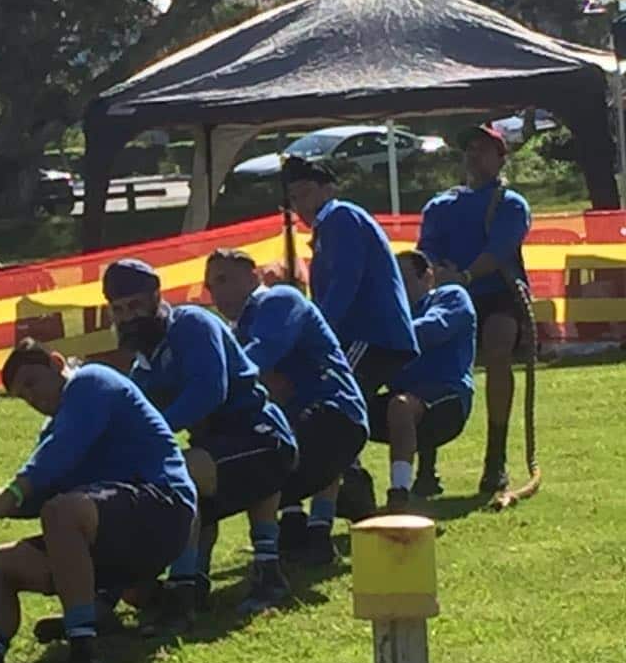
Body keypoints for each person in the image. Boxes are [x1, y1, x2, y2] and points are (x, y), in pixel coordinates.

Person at [0, 340, 196, 663]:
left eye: (32, 382)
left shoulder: (93, 381)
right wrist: (6, 504)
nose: (32, 398)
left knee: (61, 513)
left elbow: (59, 455)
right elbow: (43, 487)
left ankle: (83, 653)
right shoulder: (54, 429)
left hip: (163, 511)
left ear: (57, 363)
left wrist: (15, 491)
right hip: (109, 533)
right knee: (0, 566)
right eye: (22, 395)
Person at [100, 257, 299, 616]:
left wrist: (152, 434)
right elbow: (131, 413)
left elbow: (208, 391)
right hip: (215, 446)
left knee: (182, 475)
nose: (128, 317)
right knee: (156, 483)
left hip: (262, 438)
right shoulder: (144, 361)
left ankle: (186, 591)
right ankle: (118, 596)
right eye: (119, 309)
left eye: (135, 305)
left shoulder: (192, 323)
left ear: (156, 297)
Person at [204, 248, 368, 567]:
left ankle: (317, 532)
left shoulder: (279, 299)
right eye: (211, 286)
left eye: (224, 280)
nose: (217, 293)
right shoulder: (238, 329)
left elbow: (261, 355)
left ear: (252, 275)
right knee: (265, 443)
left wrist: (214, 383)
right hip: (302, 415)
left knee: (282, 444)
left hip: (336, 411)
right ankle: (294, 530)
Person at [283, 156, 418, 519]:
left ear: (328, 189)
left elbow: (346, 280)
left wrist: (317, 331)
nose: (300, 205)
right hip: (360, 333)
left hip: (370, 333)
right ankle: (351, 489)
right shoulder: (327, 229)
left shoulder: (340, 217)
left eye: (306, 193)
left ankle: (352, 491)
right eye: (293, 198)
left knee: (336, 400)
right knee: (337, 405)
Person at [417, 124, 532, 495]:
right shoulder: (439, 206)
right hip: (448, 297)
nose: (474, 154)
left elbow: (499, 251)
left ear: (501, 158)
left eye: (483, 148)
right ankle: (425, 467)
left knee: (498, 351)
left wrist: (464, 275)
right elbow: (425, 251)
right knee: (428, 364)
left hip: (496, 295)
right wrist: (438, 274)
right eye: (470, 148)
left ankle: (495, 460)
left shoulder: (511, 204)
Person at [370, 251, 477, 510]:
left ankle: (399, 493)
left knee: (400, 406)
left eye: (404, 279)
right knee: (345, 410)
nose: (398, 287)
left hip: (448, 400)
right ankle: (350, 490)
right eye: (393, 280)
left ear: (427, 277)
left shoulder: (451, 296)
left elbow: (434, 328)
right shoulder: (389, 315)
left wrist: (387, 334)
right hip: (404, 402)